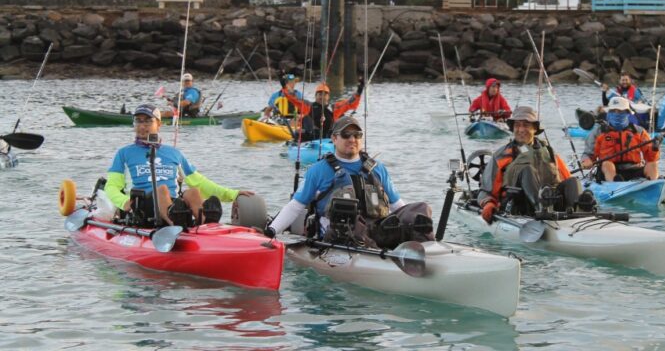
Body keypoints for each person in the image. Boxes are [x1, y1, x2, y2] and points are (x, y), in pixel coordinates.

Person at [264, 116, 434, 249]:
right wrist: (271, 231)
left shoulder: (378, 168)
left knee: (419, 209)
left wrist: (410, 222)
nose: (352, 139)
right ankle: (381, 253)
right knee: (350, 218)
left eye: (357, 135)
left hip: (375, 229)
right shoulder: (317, 171)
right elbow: (295, 206)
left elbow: (398, 205)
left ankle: (426, 248)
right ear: (334, 138)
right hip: (340, 232)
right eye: (346, 135)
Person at [105, 103, 254, 227]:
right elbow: (111, 187)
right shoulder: (124, 154)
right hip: (143, 207)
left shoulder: (174, 153)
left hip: (176, 206)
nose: (142, 126)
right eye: (138, 121)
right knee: (162, 190)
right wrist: (124, 202)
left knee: (193, 192)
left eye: (148, 121)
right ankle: (172, 222)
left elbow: (200, 182)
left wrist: (233, 194)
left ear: (159, 124)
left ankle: (205, 224)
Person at [477, 106, 589, 222]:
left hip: (552, 202)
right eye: (517, 125)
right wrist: (488, 203)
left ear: (535, 128)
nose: (520, 130)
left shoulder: (550, 153)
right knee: (527, 169)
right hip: (519, 207)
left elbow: (567, 180)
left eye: (525, 125)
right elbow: (485, 191)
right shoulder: (501, 156)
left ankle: (579, 215)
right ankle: (543, 211)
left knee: (573, 182)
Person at [581, 97, 660, 182]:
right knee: (607, 164)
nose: (616, 114)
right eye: (613, 111)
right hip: (608, 171)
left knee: (652, 164)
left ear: (627, 113)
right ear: (609, 113)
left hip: (634, 169)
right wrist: (586, 161)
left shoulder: (639, 131)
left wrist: (655, 147)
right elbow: (588, 154)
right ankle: (613, 184)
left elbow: (651, 158)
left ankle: (653, 183)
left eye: (620, 111)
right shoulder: (599, 132)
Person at [282, 79, 364, 140]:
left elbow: (350, 103)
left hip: (329, 138)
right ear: (315, 96)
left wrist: (359, 91)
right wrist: (284, 85)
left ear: (328, 97)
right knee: (298, 132)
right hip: (311, 138)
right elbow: (293, 98)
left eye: (325, 95)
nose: (322, 97)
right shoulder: (308, 106)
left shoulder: (335, 108)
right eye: (319, 94)